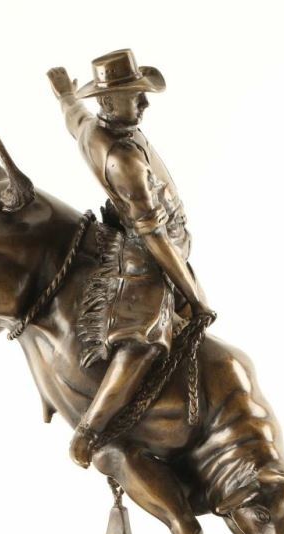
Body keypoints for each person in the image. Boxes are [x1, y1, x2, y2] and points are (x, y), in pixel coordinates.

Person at [47, 49, 215, 468]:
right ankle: (89, 433)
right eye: (134, 96)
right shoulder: (121, 158)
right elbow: (152, 234)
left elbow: (74, 117)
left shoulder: (95, 126)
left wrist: (66, 96)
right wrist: (192, 292)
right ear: (107, 101)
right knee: (144, 340)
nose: (143, 104)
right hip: (146, 255)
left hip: (164, 246)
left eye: (142, 94)